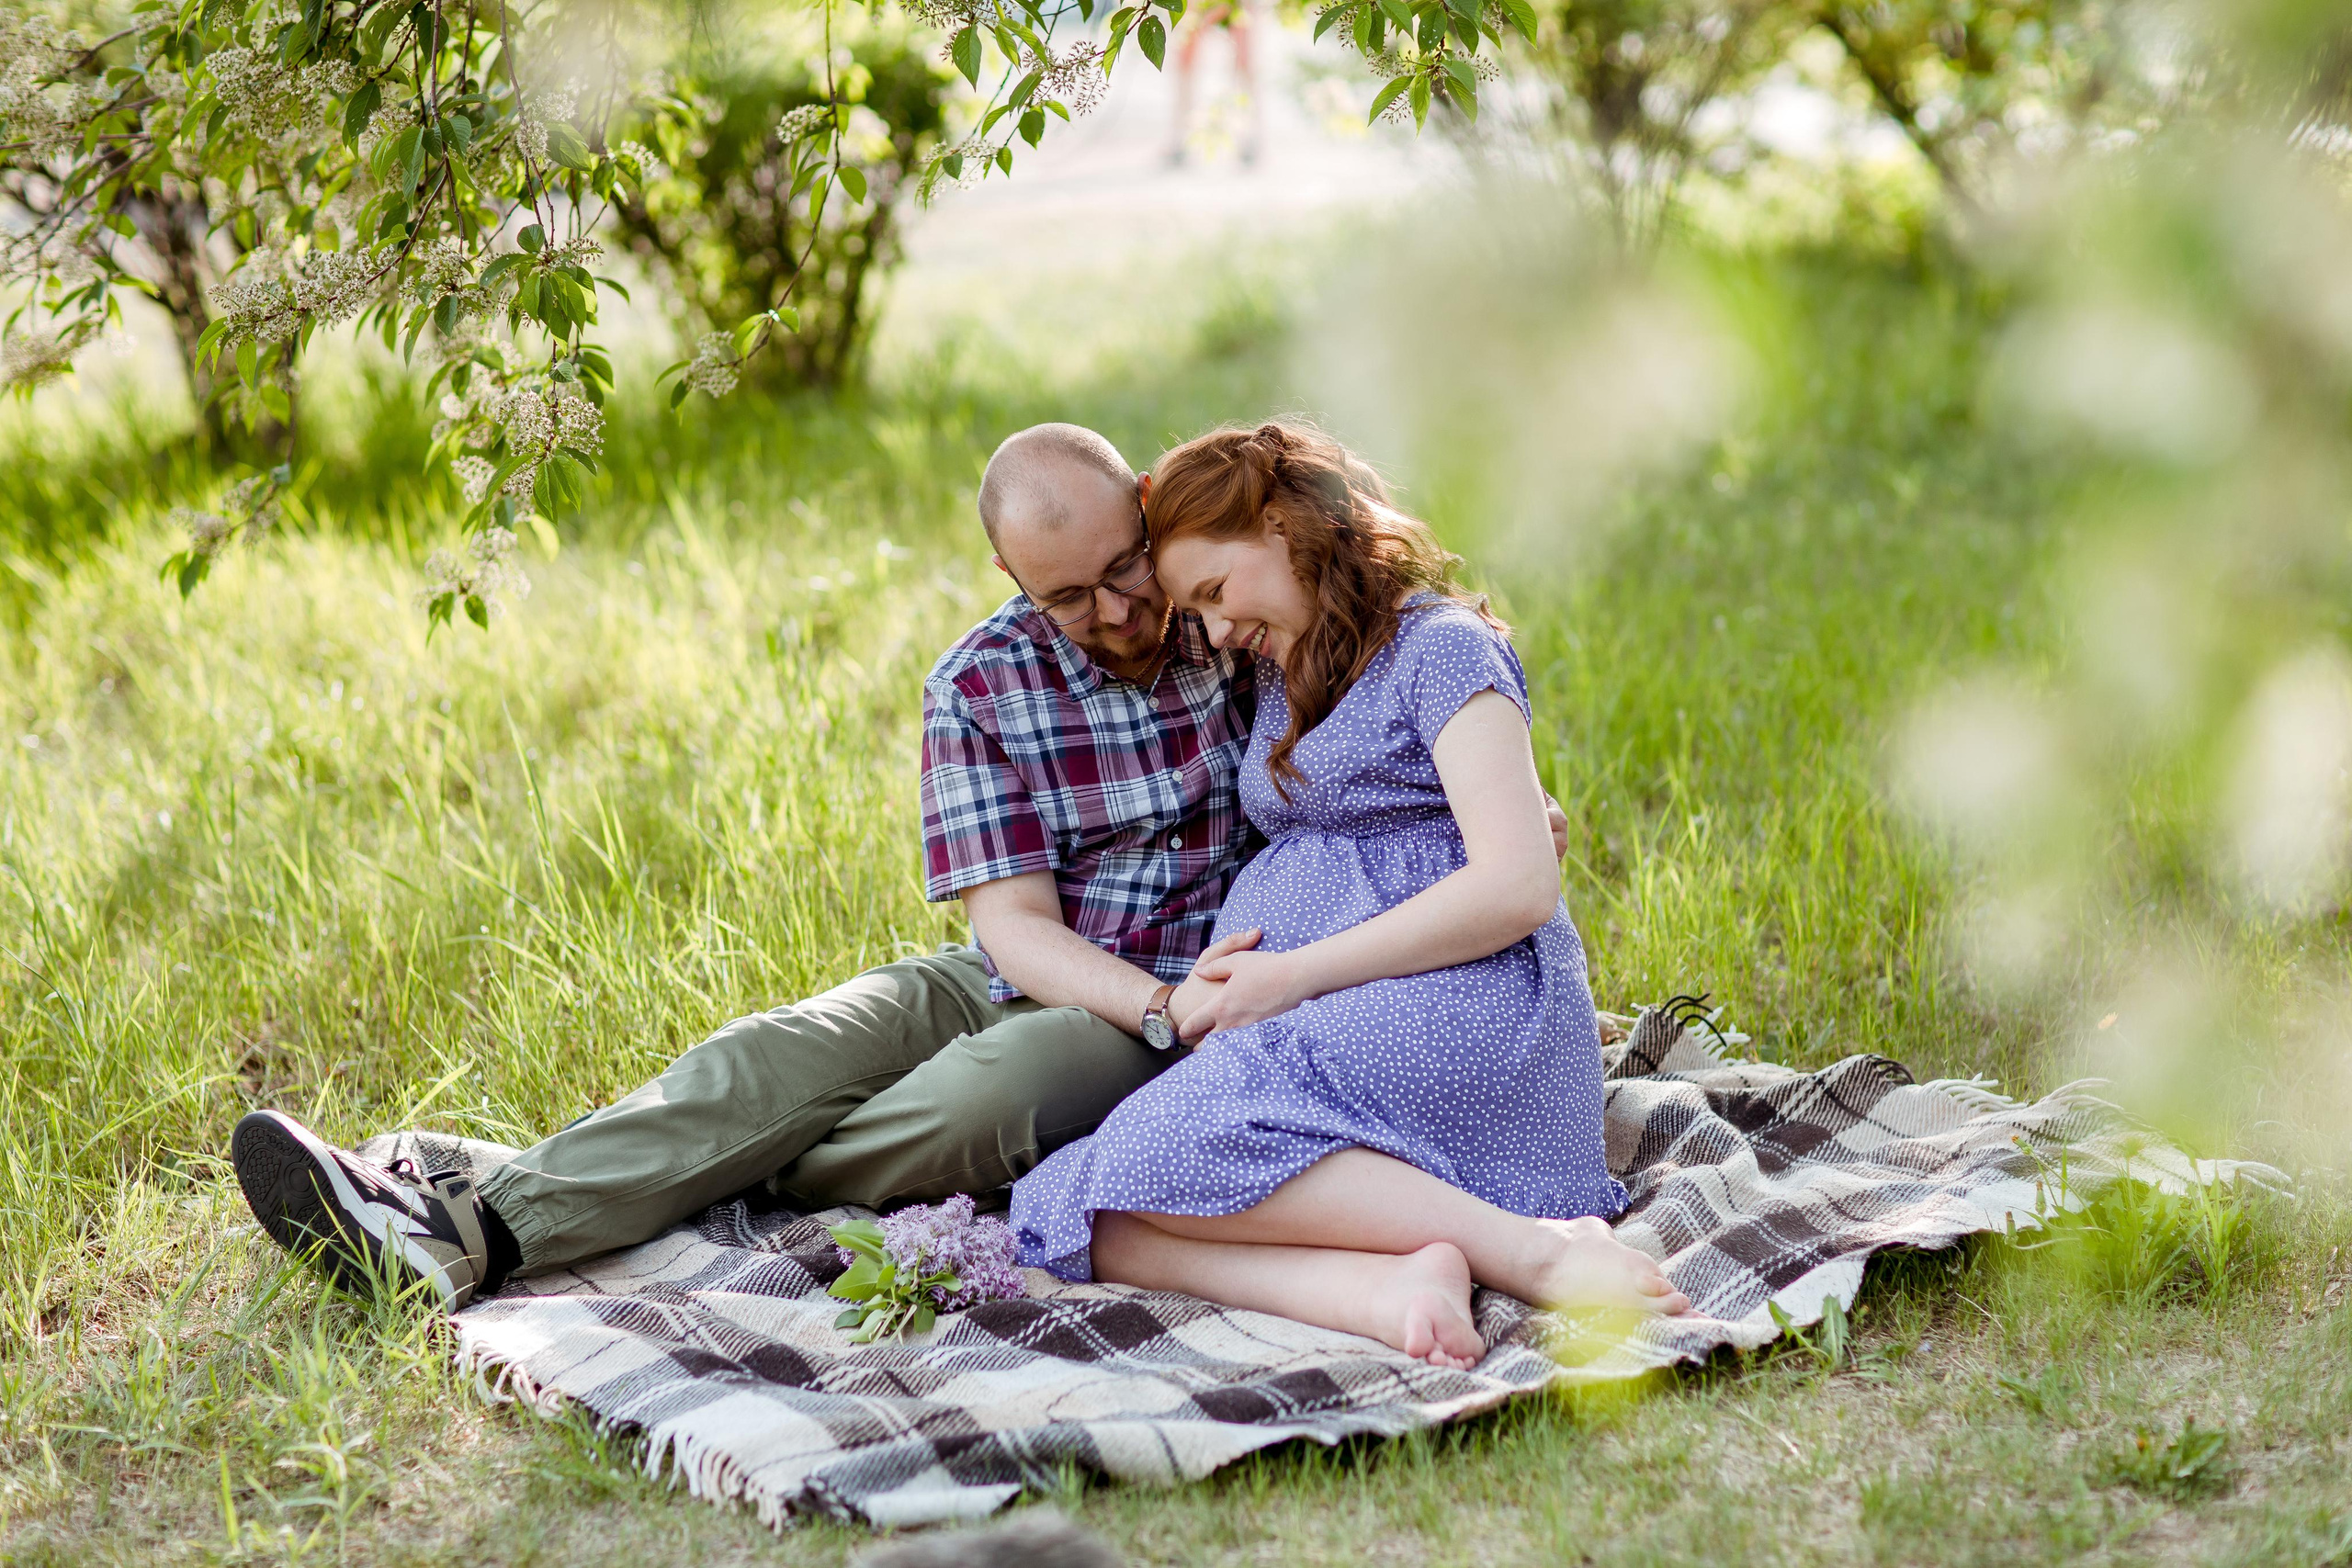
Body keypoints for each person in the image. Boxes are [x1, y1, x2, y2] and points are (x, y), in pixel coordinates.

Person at [227, 421, 1575, 1313]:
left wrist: (1502, 811)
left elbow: (1376, 715)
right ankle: (478, 1223)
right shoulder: (979, 684)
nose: (1123, 613)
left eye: (1130, 570)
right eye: (1070, 593)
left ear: (1149, 519)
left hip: (1198, 993)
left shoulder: (1224, 625)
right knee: (780, 1055)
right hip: (1078, 975)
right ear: (1006, 574)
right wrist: (1154, 1004)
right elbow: (1015, 929)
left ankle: (580, 1190)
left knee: (978, 1102)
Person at [1009, 422, 1690, 1370]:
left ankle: (1529, 1251)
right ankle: (1387, 1285)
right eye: (1192, 610)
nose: (1211, 631)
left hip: (1459, 1001)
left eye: (1212, 594)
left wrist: (1291, 977)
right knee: (1083, 1209)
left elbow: (1518, 884)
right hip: (1338, 1020)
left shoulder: (1440, 648)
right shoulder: (1285, 666)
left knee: (1146, 1159)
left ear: (1289, 530)